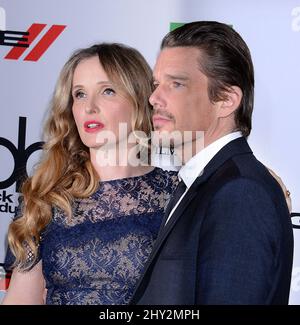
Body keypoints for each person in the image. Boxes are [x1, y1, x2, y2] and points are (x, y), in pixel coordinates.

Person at [131, 21, 294, 305]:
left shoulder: (240, 193)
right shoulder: (201, 184)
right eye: (157, 84)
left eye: (177, 84)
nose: (153, 97)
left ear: (226, 100)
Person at [2, 43, 178, 305]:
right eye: (80, 94)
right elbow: (21, 299)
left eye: (107, 91)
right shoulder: (45, 198)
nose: (89, 107)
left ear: (140, 100)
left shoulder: (177, 193)